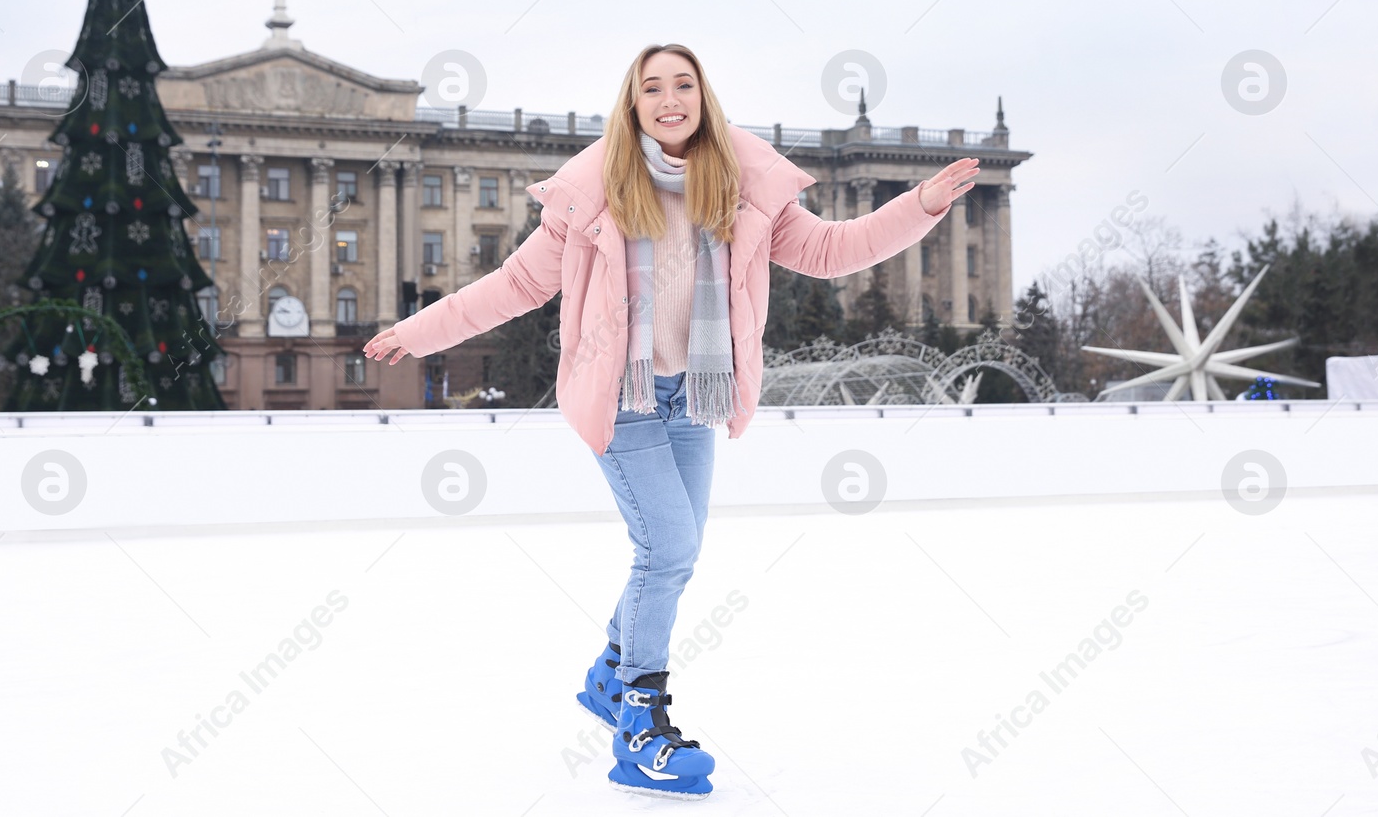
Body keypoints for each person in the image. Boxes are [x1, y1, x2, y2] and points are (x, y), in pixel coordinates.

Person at [364, 43, 977, 799]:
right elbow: (517, 282)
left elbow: (830, 249)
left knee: (671, 552)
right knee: (670, 545)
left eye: (683, 83)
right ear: (634, 104)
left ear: (703, 97)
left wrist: (920, 206)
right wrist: (417, 333)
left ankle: (608, 673)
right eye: (651, 87)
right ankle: (640, 722)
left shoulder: (741, 187)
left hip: (697, 393)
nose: (669, 97)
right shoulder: (596, 193)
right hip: (622, 398)